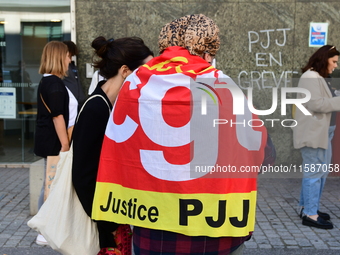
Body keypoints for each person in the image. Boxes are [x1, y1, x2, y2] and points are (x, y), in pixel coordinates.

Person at [92, 14, 268, 255]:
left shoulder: (135, 85)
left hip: (153, 232)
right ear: (207, 52)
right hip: (217, 231)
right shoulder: (226, 88)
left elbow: (121, 152)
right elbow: (260, 152)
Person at [72, 36, 153, 255]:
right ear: (126, 71)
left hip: (114, 217)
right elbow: (82, 177)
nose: (151, 77)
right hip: (104, 225)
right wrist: (107, 227)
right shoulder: (95, 109)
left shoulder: (112, 106)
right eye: (146, 71)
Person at [293, 45, 340, 229]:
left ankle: (308, 207)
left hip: (322, 133)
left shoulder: (317, 77)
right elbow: (317, 104)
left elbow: (325, 98)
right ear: (324, 59)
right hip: (314, 134)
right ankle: (310, 215)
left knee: (319, 173)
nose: (335, 66)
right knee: (314, 174)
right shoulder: (310, 77)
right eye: (334, 62)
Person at [33, 41, 71, 245]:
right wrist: (65, 145)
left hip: (47, 139)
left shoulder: (46, 81)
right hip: (54, 142)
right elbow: (58, 117)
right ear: (58, 57)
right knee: (51, 185)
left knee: (48, 185)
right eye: (66, 56)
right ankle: (44, 230)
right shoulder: (55, 84)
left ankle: (45, 227)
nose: (69, 59)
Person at [63, 41, 86, 111]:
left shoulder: (73, 67)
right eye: (69, 56)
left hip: (78, 103)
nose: (70, 59)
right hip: (69, 103)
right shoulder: (62, 68)